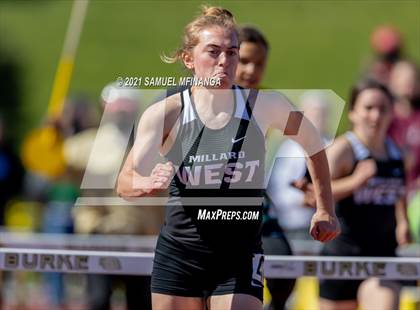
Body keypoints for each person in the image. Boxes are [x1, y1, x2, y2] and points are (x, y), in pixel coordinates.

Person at [117, 6, 340, 310]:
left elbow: (314, 145)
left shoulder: (264, 105)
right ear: (188, 59)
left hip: (239, 254)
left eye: (232, 52)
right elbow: (124, 182)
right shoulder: (166, 113)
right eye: (213, 52)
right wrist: (144, 183)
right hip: (180, 253)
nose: (224, 61)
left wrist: (325, 209)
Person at [318, 79, 411, 310]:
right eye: (369, 108)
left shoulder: (396, 152)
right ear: (353, 113)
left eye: (383, 109)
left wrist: (403, 221)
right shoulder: (343, 150)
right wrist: (354, 181)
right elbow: (314, 197)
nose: (376, 116)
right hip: (343, 256)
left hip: (382, 256)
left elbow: (397, 190)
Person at [234, 25, 296, 310]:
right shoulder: (205, 97)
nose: (251, 70)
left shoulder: (269, 99)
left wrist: (312, 180)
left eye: (259, 64)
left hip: (256, 197)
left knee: (284, 270)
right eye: (244, 61)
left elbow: (310, 141)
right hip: (209, 202)